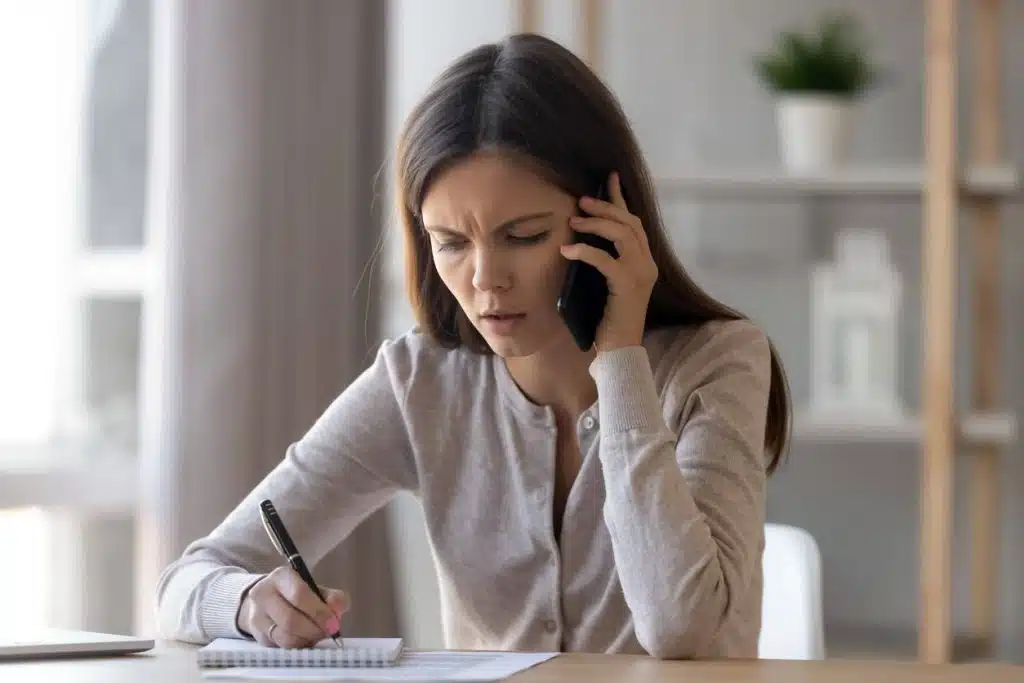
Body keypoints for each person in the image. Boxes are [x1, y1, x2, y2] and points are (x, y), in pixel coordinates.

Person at [155, 32, 791, 660]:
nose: (485, 280)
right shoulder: (420, 381)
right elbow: (185, 583)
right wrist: (246, 605)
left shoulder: (719, 360)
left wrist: (619, 356)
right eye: (450, 243)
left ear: (607, 221)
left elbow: (681, 630)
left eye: (523, 235)